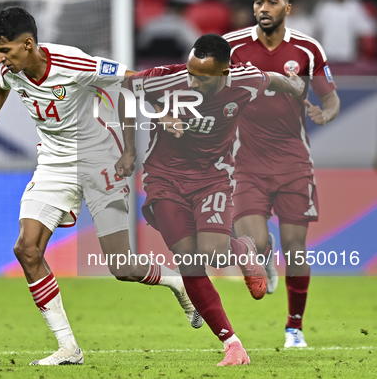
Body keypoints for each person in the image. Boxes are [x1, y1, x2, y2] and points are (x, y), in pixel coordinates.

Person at [0, 6, 202, 366]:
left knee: (122, 267)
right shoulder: (11, 71)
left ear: (29, 44)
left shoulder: (71, 63)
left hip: (99, 159)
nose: (1, 60)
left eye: (5, 51)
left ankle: (177, 283)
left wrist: (163, 111)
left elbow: (131, 79)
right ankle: (69, 348)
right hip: (53, 164)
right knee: (26, 249)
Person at [127, 33, 305, 366]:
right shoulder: (168, 78)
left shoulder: (246, 80)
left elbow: (276, 80)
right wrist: (157, 115)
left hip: (212, 180)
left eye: (202, 77)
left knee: (212, 253)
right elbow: (125, 90)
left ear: (225, 73)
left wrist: (296, 87)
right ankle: (232, 344)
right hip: (163, 180)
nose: (192, 80)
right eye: (191, 71)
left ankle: (242, 249)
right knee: (189, 261)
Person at [223, 0, 340, 348]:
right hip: (246, 164)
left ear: (286, 9)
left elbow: (330, 97)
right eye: (259, 2)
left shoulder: (307, 49)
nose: (263, 8)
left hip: (293, 163)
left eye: (272, 2)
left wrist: (326, 114)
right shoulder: (232, 46)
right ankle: (263, 255)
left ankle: (294, 328)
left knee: (296, 248)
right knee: (254, 244)